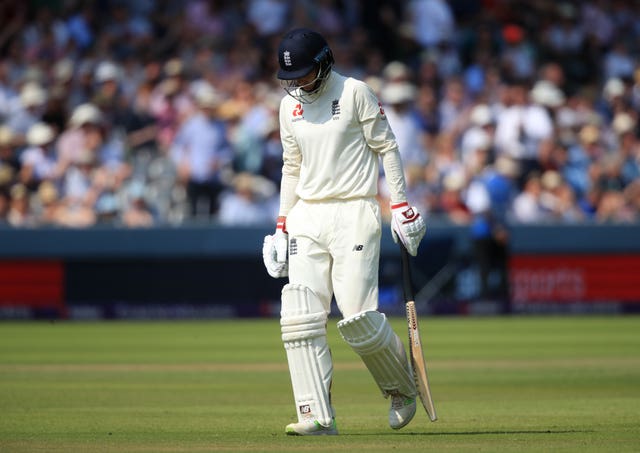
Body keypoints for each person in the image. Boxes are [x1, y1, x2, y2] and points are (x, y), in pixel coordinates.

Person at [262, 28, 427, 436]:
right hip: (307, 216)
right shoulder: (289, 108)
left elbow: (386, 146)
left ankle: (401, 388)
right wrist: (281, 225)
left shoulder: (355, 92)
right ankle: (316, 415)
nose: (298, 84)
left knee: (357, 320)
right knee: (300, 318)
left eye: (304, 74)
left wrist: (401, 205)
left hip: (354, 210)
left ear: (324, 62)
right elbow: (291, 167)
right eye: (291, 78)